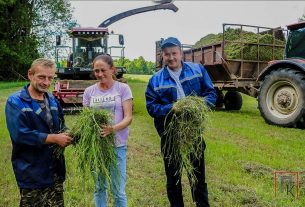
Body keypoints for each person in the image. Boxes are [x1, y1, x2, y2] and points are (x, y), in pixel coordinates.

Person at [145, 37, 217, 207]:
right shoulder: (155, 80)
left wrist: (197, 106)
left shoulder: (197, 70)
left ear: (181, 53)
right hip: (169, 136)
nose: (171, 57)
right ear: (162, 56)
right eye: (167, 54)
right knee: (173, 181)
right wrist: (172, 108)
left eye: (174, 53)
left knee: (198, 179)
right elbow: (151, 108)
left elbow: (211, 95)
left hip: (192, 133)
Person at [5, 58, 73, 206]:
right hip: (32, 171)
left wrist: (70, 134)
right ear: (30, 74)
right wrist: (54, 138)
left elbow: (61, 126)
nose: (46, 83)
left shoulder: (52, 100)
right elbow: (20, 134)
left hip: (54, 169)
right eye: (42, 77)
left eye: (50, 78)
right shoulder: (15, 102)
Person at [83, 54, 133, 207]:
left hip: (117, 145)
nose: (99, 74)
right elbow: (86, 119)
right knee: (99, 188)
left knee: (118, 191)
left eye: (103, 70)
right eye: (96, 71)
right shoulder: (89, 92)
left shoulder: (122, 88)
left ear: (112, 69)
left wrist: (112, 129)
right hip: (97, 146)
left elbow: (128, 117)